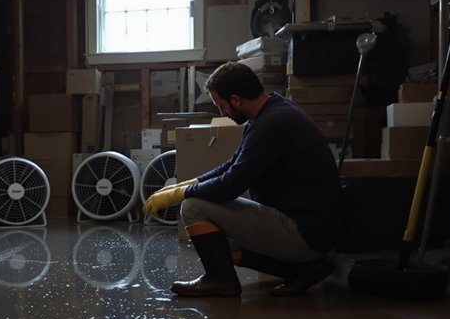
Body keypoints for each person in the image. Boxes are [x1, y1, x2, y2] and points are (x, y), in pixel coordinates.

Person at [143, 62, 341, 297]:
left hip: (304, 234)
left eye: (221, 105)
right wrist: (185, 184)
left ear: (236, 100)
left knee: (193, 207)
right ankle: (301, 270)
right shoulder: (271, 113)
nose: (221, 113)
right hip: (311, 231)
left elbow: (231, 184)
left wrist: (180, 195)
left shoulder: (271, 124)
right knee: (217, 247)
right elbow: (230, 166)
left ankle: (220, 280)